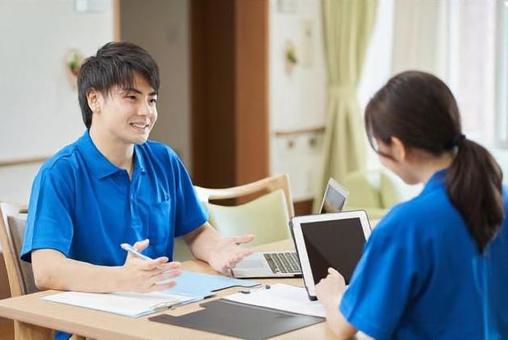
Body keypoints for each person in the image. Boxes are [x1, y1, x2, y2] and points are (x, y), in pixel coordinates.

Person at [21, 41, 254, 296]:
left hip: (161, 307)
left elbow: (196, 231)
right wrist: (121, 279)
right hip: (88, 325)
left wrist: (216, 250)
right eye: (131, 97)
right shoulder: (60, 173)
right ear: (94, 99)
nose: (146, 112)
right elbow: (46, 270)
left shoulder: (164, 160)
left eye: (151, 100)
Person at [315, 70, 508, 339]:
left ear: (397, 147)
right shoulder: (499, 197)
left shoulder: (406, 224)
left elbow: (345, 328)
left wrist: (331, 296)